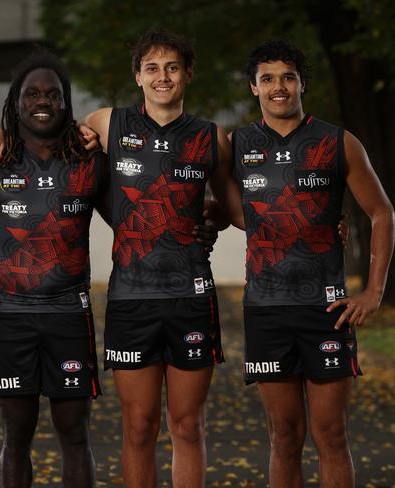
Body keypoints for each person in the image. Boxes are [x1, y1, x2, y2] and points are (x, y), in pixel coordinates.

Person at [229, 40, 394, 487]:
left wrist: (374, 290)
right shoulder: (237, 143)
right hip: (266, 308)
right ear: (253, 87)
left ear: (302, 83)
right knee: (283, 436)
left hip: (327, 311)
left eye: (288, 77)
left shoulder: (338, 141)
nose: (278, 87)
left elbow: (382, 212)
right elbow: (209, 199)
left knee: (331, 435)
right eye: (268, 78)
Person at [81, 30, 233, 487]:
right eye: (152, 68)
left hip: (191, 297)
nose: (162, 76)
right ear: (137, 76)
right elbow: (55, 139)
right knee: (139, 428)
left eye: (171, 67)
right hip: (132, 298)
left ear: (187, 74)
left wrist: (214, 217)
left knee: (187, 426)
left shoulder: (213, 138)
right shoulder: (108, 123)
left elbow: (235, 210)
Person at [0, 51, 105, 488]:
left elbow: (135, 213)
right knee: (16, 434)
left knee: (74, 432)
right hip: (10, 317)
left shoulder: (88, 162)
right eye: (32, 93)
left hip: (70, 315)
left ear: (67, 103)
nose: (42, 101)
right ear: (16, 103)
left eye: (53, 93)